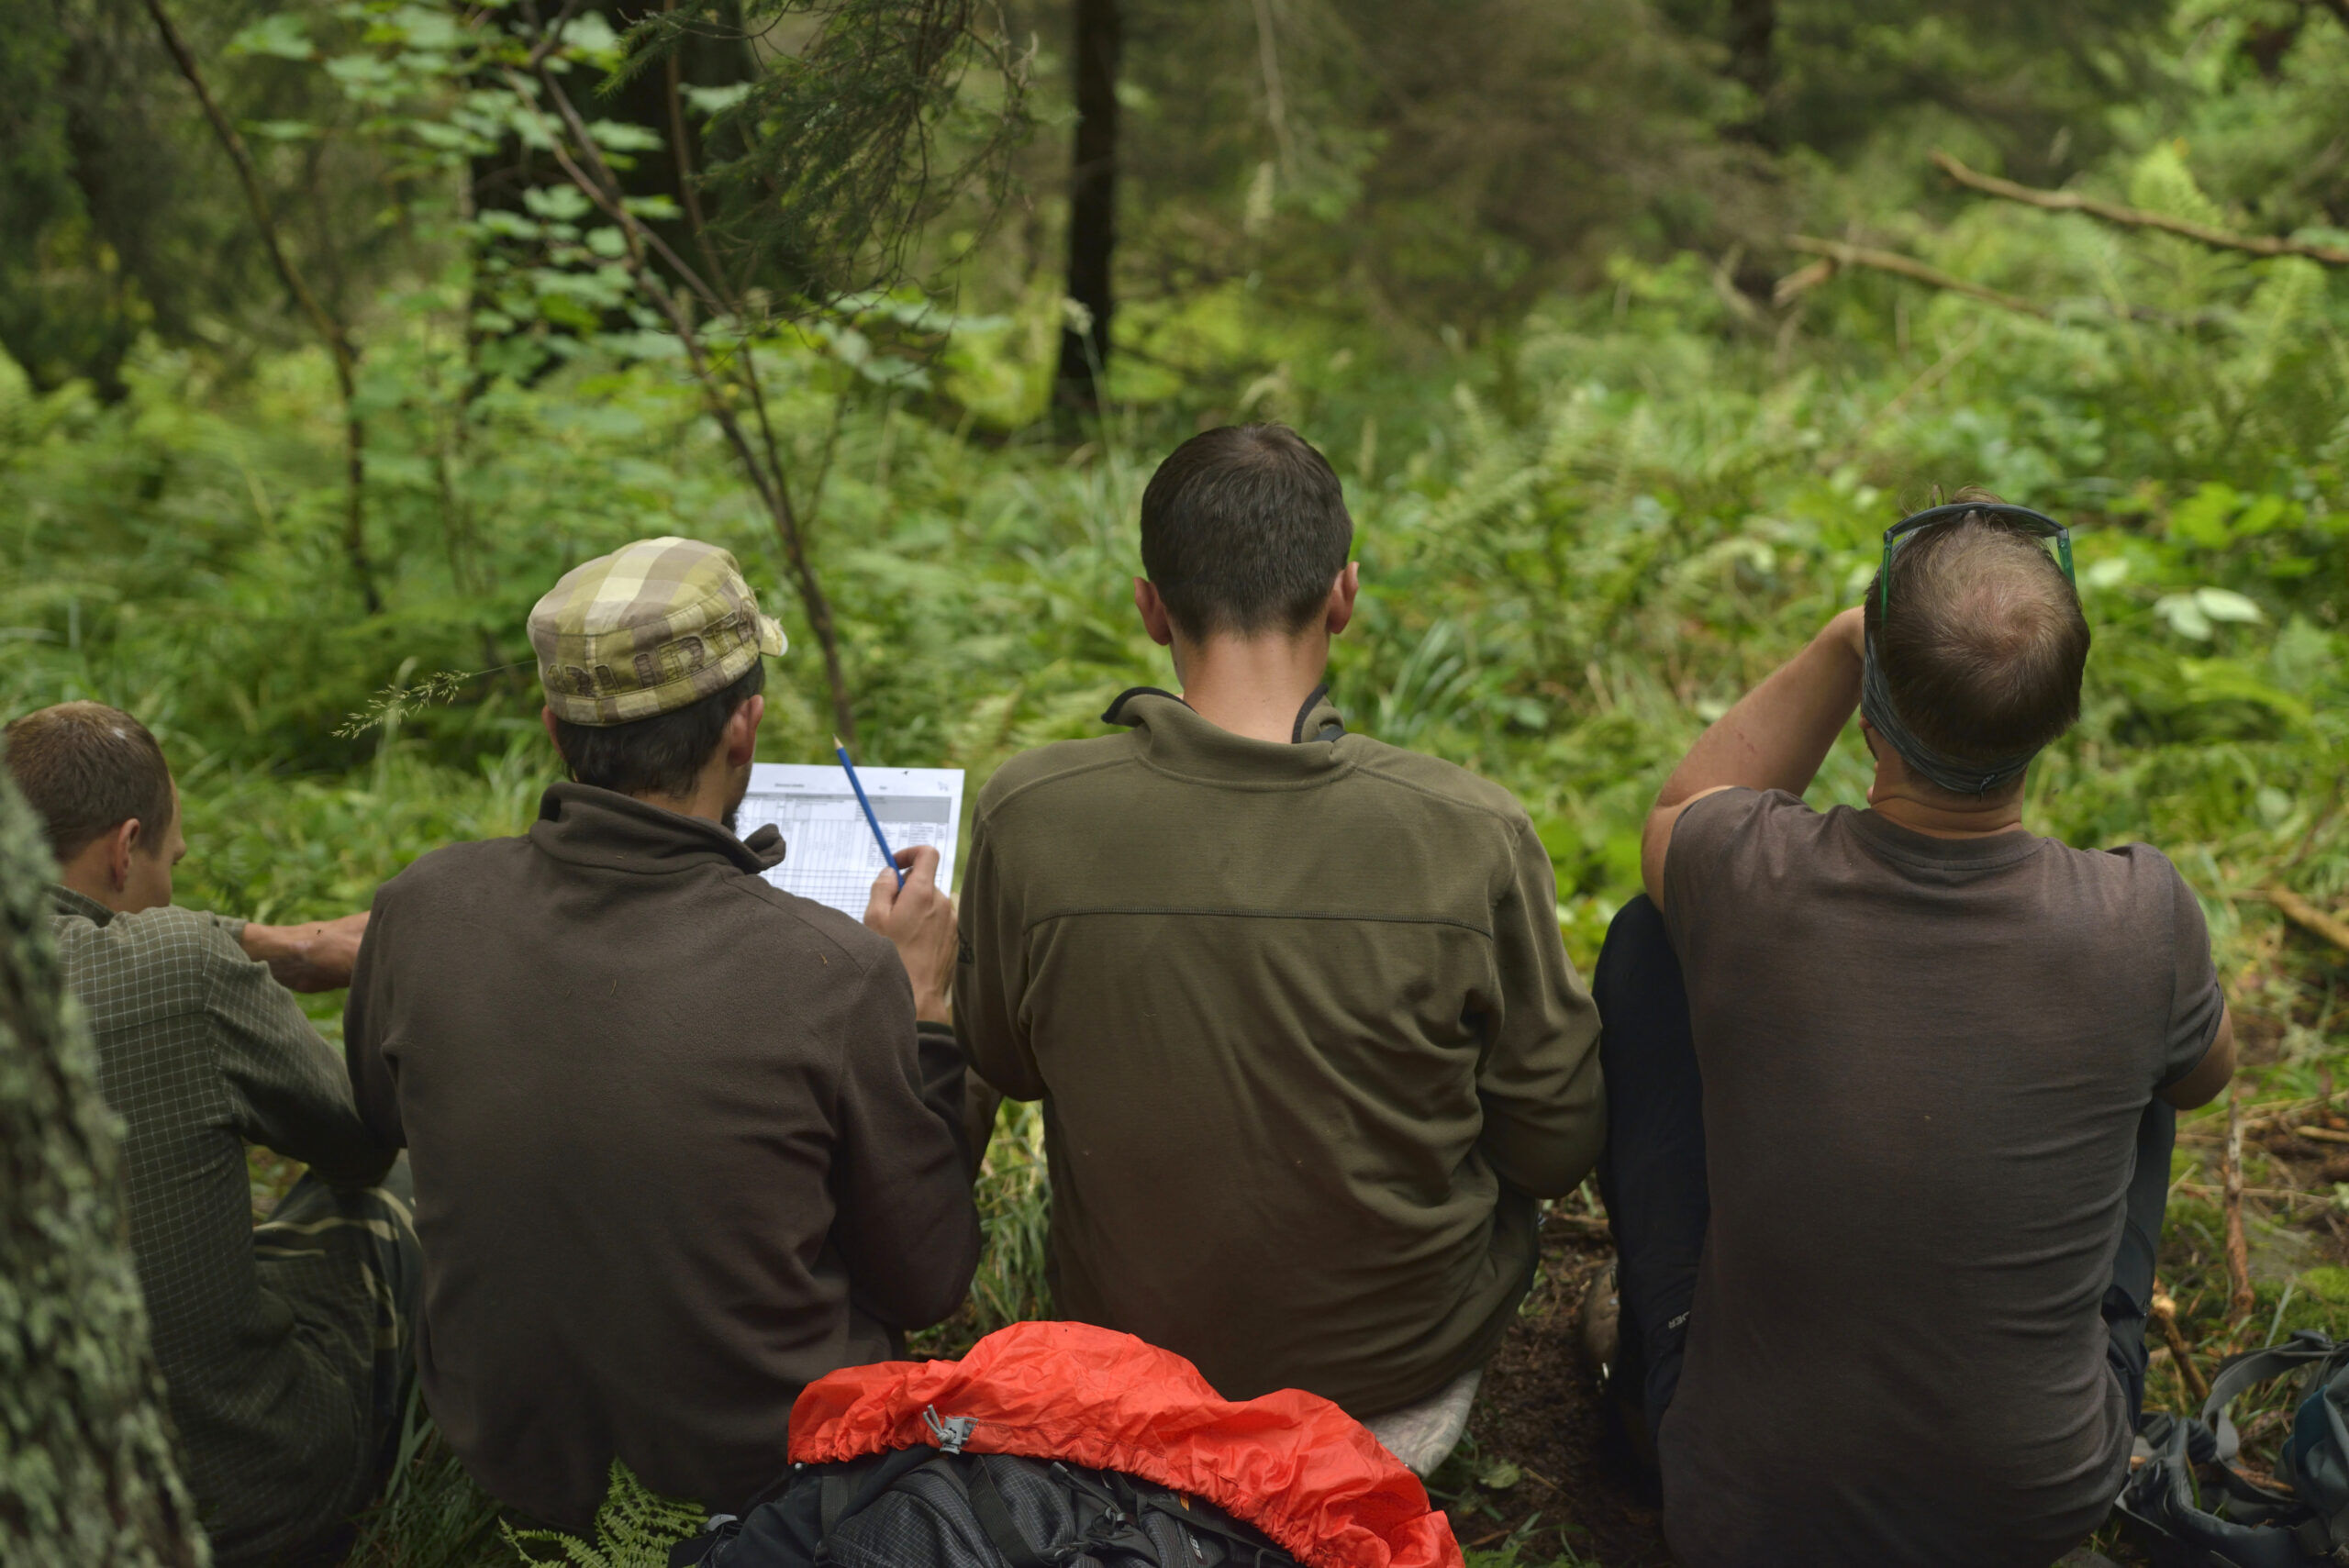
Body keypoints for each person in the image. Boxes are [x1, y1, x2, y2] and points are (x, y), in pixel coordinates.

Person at [1595, 495, 2234, 1565]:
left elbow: (1678, 808)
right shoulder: (2143, 916)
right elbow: (2208, 1078)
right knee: (2158, 1057)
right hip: (2034, 1502)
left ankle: (1649, 1365)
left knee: (1647, 942)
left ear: (1866, 717)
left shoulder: (1749, 871)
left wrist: (1848, 640)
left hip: (1742, 1503)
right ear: (2056, 722)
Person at [954, 425, 1605, 1474]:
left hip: (1133, 1360)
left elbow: (1006, 1057)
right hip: (1395, 1374)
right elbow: (1554, 1144)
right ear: (1343, 595)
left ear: (1150, 604)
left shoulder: (1031, 812)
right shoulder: (1468, 827)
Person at [344, 536, 980, 1532]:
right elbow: (929, 1275)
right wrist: (924, 1010)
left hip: (510, 1459)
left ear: (554, 727)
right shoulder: (840, 973)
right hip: (774, 1483)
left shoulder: (420, 906)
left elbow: (384, 1116)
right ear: (745, 726)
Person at [6, 701, 414, 1568]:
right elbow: (360, 1143)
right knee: (392, 1196)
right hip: (237, 1497)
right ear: (124, 848)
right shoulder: (182, 969)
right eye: (170, 861)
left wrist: (253, 944)